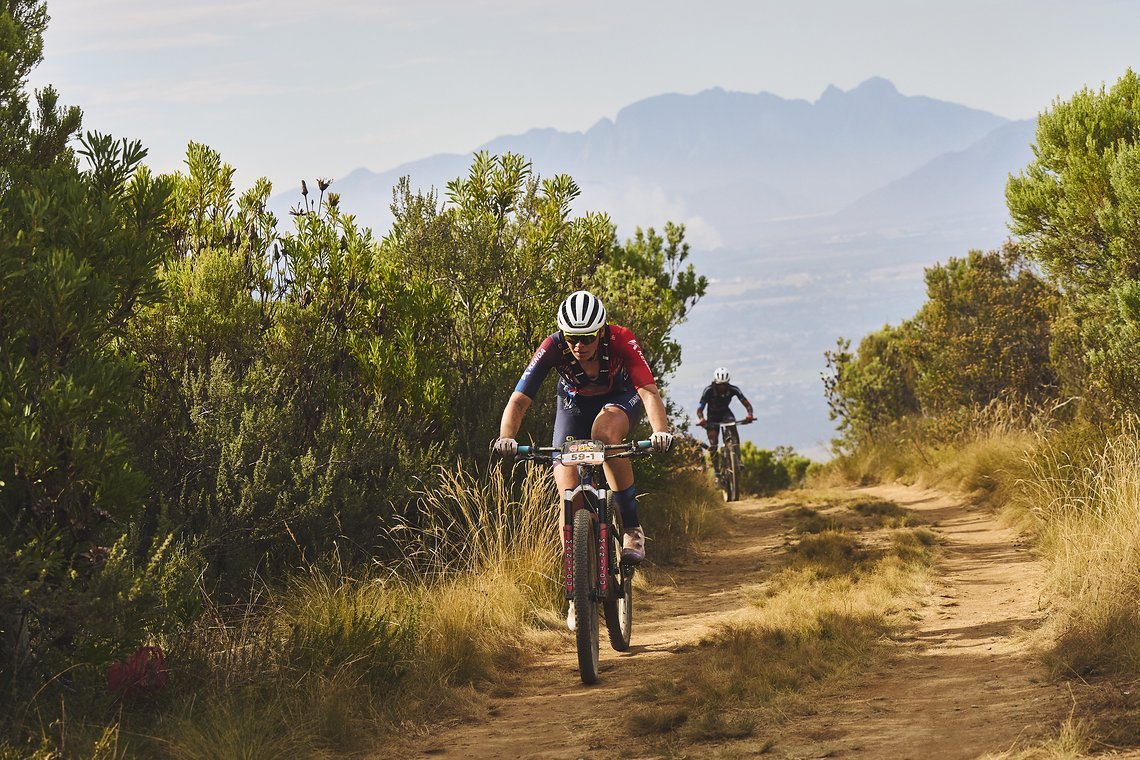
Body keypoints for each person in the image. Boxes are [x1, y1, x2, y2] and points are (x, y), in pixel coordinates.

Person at [494, 290, 673, 627]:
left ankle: (632, 526)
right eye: (572, 337)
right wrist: (506, 438)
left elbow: (648, 391)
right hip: (574, 405)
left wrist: (660, 431)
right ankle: (577, 592)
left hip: (620, 399)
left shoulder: (621, 340)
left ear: (601, 331)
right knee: (566, 484)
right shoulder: (553, 346)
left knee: (605, 436)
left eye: (587, 337)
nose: (579, 346)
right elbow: (519, 400)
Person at [696, 367, 754, 471]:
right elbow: (700, 408)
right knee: (713, 445)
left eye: (725, 385)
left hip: (726, 415)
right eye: (720, 385)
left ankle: (737, 459)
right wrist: (701, 419)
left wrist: (750, 414)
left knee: (733, 429)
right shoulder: (708, 391)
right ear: (715, 383)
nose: (722, 387)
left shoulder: (734, 389)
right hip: (712, 418)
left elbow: (746, 403)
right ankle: (717, 472)